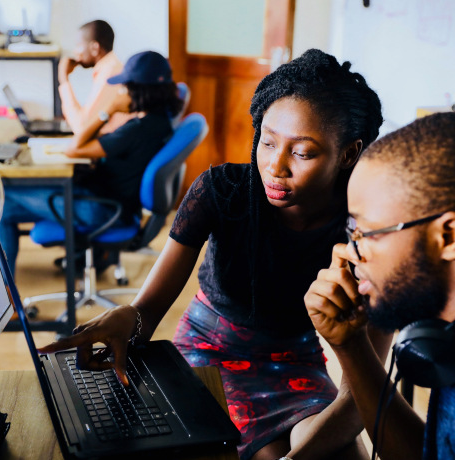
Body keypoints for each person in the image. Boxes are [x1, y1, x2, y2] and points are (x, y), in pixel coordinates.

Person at [39, 49, 388, 460]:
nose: (275, 166)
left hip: (294, 365)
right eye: (268, 141)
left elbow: (362, 396)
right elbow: (147, 310)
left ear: (348, 153)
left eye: (302, 152)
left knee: (345, 455)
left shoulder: (368, 232)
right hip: (206, 353)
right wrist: (127, 318)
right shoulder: (222, 192)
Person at [304, 112, 455, 460]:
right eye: (350, 230)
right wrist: (351, 346)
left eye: (366, 234)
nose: (348, 252)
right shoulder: (443, 336)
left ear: (447, 236)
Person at [0, 51, 183, 275]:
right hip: (109, 202)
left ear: (139, 90)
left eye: (124, 86)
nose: (120, 91)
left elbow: (74, 148)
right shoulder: (160, 123)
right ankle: (6, 291)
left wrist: (108, 110)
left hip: (100, 209)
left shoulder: (137, 130)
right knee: (0, 208)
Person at [58, 20, 133, 135]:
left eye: (78, 45)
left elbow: (82, 128)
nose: (75, 51)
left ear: (95, 48)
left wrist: (63, 79)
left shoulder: (110, 74)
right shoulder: (110, 68)